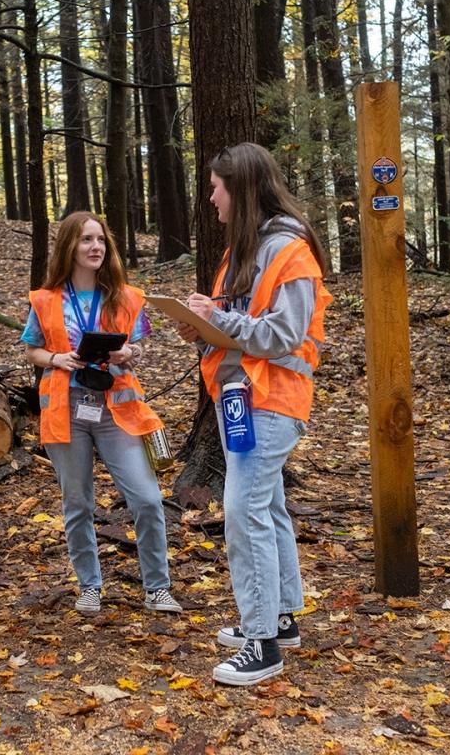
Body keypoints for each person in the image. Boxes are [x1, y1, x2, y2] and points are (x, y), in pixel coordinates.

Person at [179, 142, 332, 687]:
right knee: (267, 505)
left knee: (243, 511)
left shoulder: (289, 250)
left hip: (274, 398)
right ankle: (282, 618)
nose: (211, 197)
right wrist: (205, 319)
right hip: (243, 395)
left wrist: (223, 323)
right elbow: (242, 318)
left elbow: (285, 333)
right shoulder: (247, 248)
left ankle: (261, 640)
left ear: (240, 190)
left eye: (217, 187)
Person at [23, 211, 182, 615]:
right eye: (86, 240)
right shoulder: (46, 299)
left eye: (100, 240)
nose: (95, 247)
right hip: (66, 408)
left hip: (117, 408)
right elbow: (32, 350)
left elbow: (139, 347)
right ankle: (89, 586)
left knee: (146, 498)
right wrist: (57, 358)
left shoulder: (126, 295)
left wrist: (128, 352)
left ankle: (157, 587)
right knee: (77, 502)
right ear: (69, 248)